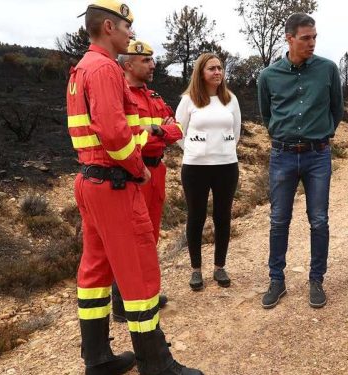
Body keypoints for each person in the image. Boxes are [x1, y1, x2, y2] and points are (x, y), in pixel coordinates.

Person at [67, 1, 202, 374]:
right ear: (109, 26)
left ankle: (97, 358)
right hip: (114, 183)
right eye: (128, 26)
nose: (131, 33)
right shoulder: (106, 69)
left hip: (89, 179)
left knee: (96, 270)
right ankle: (155, 363)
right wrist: (138, 168)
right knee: (141, 271)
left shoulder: (81, 68)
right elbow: (114, 133)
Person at [257, 12, 343, 309]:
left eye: (315, 37)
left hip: (318, 155)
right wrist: (281, 134)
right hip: (282, 155)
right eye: (306, 38)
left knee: (319, 220)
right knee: (279, 220)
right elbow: (266, 114)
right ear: (289, 38)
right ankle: (276, 280)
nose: (312, 43)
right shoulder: (268, 76)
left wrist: (323, 133)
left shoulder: (328, 70)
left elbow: (337, 109)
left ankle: (316, 279)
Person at [111, 39, 181, 322]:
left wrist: (159, 131)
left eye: (152, 60)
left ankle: (144, 296)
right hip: (134, 174)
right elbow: (128, 139)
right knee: (129, 238)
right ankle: (121, 303)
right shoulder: (121, 96)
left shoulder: (153, 96)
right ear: (128, 65)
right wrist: (158, 130)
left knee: (150, 234)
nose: (153, 65)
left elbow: (177, 128)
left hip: (157, 172)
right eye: (146, 61)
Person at [176, 53, 241, 292]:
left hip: (226, 166)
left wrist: (221, 152)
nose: (217, 72)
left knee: (222, 216)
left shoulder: (230, 99)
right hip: (195, 168)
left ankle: (219, 267)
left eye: (220, 68)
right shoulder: (188, 100)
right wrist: (196, 151)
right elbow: (178, 132)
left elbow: (236, 131)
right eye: (212, 68)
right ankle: (196, 270)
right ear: (200, 72)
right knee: (196, 217)